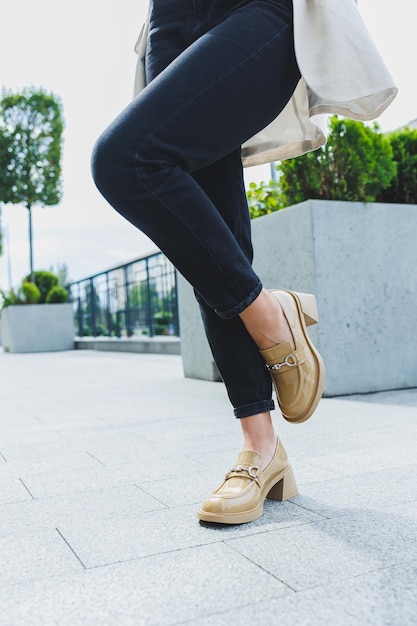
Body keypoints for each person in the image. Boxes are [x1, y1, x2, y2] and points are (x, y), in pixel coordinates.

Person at [91, 0, 396, 524]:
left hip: (256, 6)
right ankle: (261, 446)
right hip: (169, 20)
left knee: (126, 160)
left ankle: (270, 317)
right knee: (206, 228)